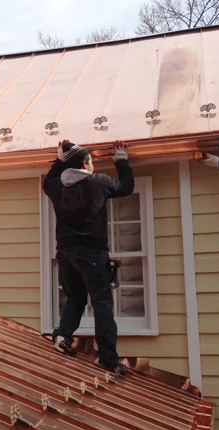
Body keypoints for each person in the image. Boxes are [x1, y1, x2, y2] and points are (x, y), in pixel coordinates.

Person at [42, 139, 134, 375]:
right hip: (92, 254)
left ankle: (62, 335)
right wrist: (121, 159)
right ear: (85, 163)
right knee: (101, 303)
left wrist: (60, 159)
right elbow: (126, 187)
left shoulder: (55, 186)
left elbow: (49, 179)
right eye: (91, 161)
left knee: (75, 299)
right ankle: (106, 357)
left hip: (65, 253)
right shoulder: (98, 183)